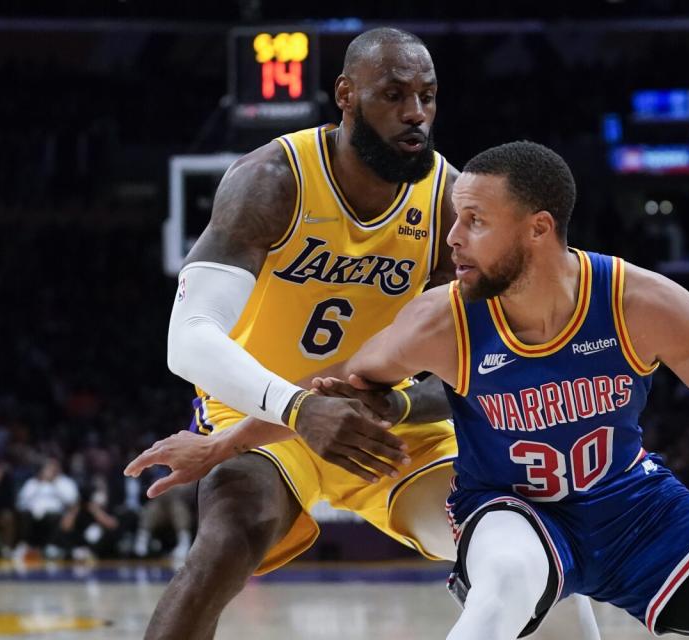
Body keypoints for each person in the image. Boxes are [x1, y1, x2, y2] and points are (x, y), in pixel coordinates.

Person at [135, 141, 689, 639]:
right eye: (454, 218)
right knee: (504, 581)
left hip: (634, 511)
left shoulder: (640, 301)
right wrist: (224, 442)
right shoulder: (440, 320)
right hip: (511, 509)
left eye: (474, 222)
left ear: (538, 231)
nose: (452, 239)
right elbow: (337, 394)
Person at [126, 29, 599, 640]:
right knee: (231, 534)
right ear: (345, 95)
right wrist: (299, 409)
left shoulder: (448, 205)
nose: (416, 114)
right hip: (262, 405)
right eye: (394, 95)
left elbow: (488, 361)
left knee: (524, 543)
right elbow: (187, 338)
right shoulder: (273, 180)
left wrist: (391, 400)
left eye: (428, 96)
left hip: (384, 416)